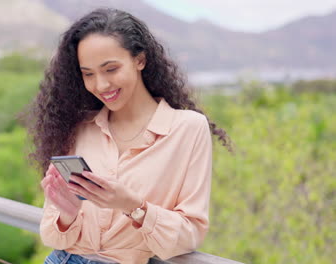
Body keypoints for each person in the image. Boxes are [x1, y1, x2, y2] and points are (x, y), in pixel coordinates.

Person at [25, 7, 231, 264]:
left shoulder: (187, 129)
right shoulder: (78, 126)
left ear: (140, 60)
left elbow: (189, 235)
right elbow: (53, 237)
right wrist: (67, 214)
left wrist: (134, 206)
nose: (100, 85)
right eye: (88, 74)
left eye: (110, 69)